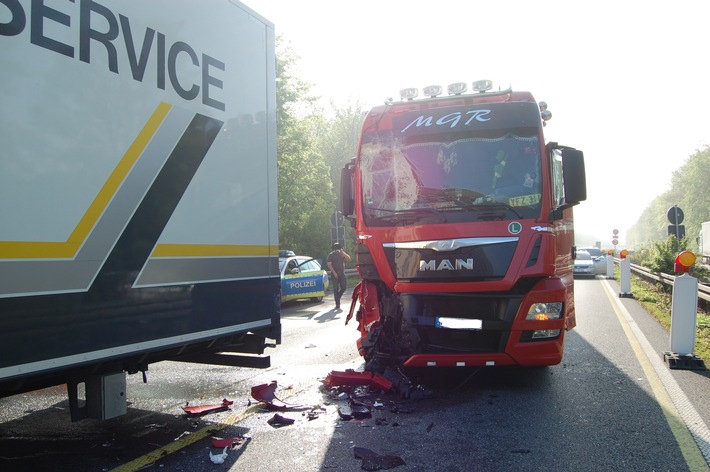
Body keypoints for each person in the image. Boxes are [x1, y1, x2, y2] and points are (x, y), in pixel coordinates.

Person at [327, 243, 351, 310]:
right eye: (337, 248)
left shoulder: (342, 254)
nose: (338, 250)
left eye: (339, 248)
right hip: (335, 273)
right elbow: (329, 264)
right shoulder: (331, 255)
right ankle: (337, 304)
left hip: (342, 273)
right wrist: (334, 273)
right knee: (335, 289)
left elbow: (349, 259)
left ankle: (338, 297)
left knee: (344, 287)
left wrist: (343, 253)